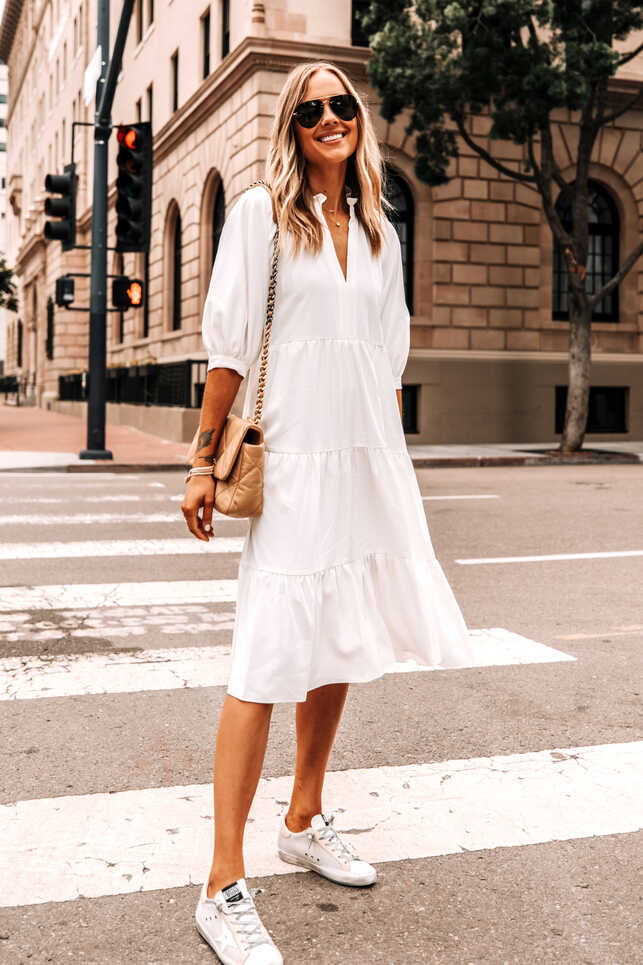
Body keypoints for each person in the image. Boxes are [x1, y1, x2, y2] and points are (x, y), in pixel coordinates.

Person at [183, 59, 478, 965]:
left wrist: (389, 471)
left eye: (338, 104)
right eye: (307, 108)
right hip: (294, 460)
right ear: (292, 129)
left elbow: (385, 363)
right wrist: (202, 459)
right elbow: (230, 347)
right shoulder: (260, 220)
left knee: (339, 634)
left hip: (363, 460)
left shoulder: (381, 230)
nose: (325, 117)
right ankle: (221, 882)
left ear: (358, 118)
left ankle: (303, 816)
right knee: (267, 654)